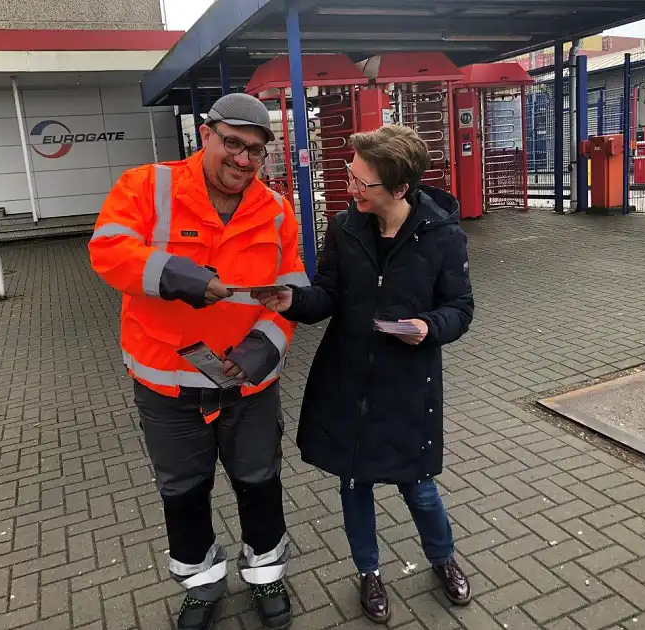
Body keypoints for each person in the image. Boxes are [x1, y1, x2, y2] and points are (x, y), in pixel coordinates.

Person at [89, 93, 308, 630]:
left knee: (259, 482)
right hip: (167, 386)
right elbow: (109, 250)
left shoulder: (277, 209)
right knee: (183, 491)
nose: (243, 159)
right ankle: (201, 583)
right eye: (233, 142)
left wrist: (265, 344)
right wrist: (176, 276)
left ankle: (266, 573)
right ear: (205, 134)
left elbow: (294, 284)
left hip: (247, 386)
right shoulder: (146, 186)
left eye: (256, 150)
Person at [255, 124, 475, 623]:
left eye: (361, 182)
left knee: (418, 486)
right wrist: (294, 300)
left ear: (399, 188)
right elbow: (327, 292)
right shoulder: (345, 227)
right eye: (349, 177)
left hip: (407, 384)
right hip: (347, 377)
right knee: (354, 484)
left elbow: (461, 308)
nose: (349, 189)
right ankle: (368, 572)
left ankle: (443, 558)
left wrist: (428, 325)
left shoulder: (442, 235)